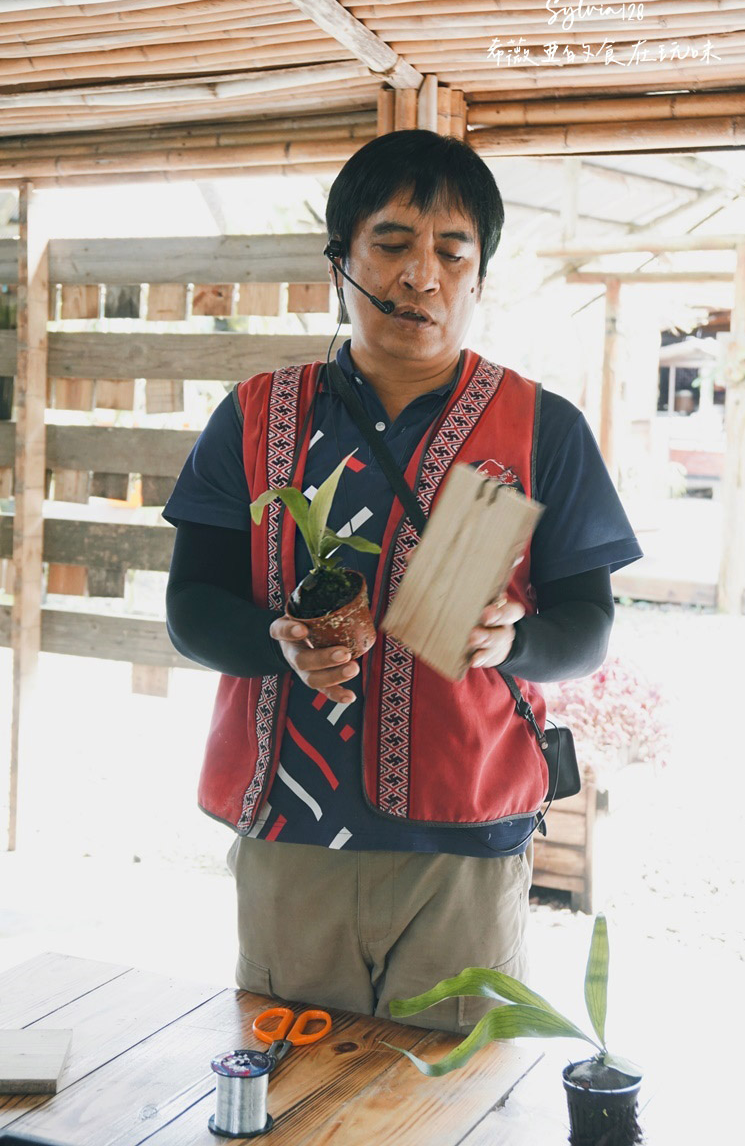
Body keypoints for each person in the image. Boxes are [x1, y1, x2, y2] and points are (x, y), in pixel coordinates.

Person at [163, 129, 643, 1033]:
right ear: (340, 260)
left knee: (452, 1099)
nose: (421, 276)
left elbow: (589, 623)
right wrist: (276, 648)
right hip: (294, 831)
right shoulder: (255, 415)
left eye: (452, 252)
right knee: (295, 1090)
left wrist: (518, 640)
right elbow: (190, 607)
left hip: (465, 836)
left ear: (478, 277)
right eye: (391, 244)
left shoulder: (545, 428)